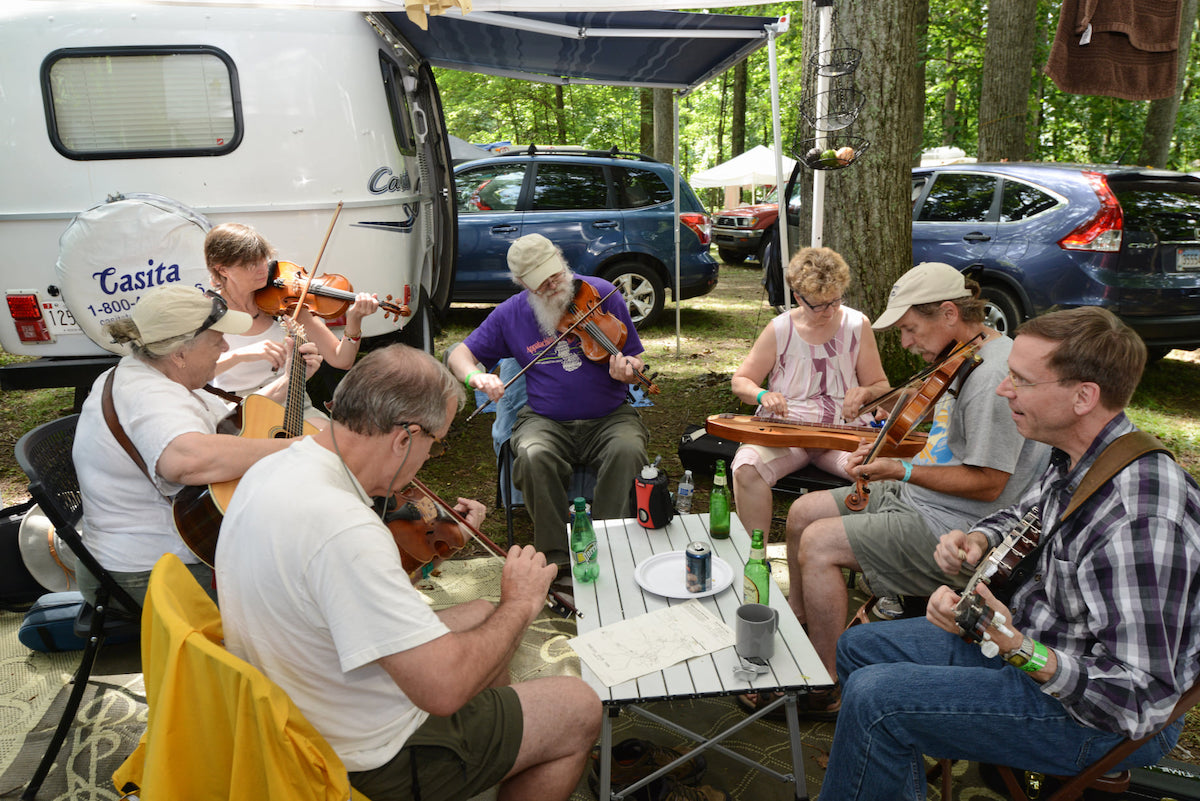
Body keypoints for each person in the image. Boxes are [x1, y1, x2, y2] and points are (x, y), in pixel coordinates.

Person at [822, 306, 1200, 799]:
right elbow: (1025, 514)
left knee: (876, 702)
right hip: (1040, 643)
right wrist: (979, 540)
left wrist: (1017, 647)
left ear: (1083, 397)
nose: (1003, 389)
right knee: (858, 647)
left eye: (1021, 379)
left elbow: (1137, 697)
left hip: (1095, 716)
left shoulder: (1140, 520)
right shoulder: (1079, 455)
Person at [215, 344, 602, 801]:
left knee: (481, 612)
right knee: (579, 706)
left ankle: (491, 750)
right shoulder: (344, 527)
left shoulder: (271, 466)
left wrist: (441, 552)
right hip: (362, 755)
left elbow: (347, 596)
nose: (430, 457)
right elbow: (443, 692)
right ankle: (473, 754)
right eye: (434, 443)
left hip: (296, 701)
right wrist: (521, 601)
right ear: (404, 438)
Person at [779, 261, 1049, 702]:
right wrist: (881, 421)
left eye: (910, 328)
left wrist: (900, 468)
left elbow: (990, 483)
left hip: (957, 528)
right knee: (801, 513)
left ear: (949, 313)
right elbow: (936, 422)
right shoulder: (965, 355)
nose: (905, 342)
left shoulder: (991, 377)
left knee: (819, 543)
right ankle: (801, 618)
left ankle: (826, 681)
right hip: (919, 496)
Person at [73, 285, 312, 609]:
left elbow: (228, 423)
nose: (225, 347)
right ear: (179, 353)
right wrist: (298, 447)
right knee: (302, 597)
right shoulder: (148, 395)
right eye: (217, 340)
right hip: (146, 572)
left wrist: (289, 383)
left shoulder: (150, 371)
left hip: (162, 554)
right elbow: (187, 459)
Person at [446, 233, 649, 570]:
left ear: (560, 259)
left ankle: (608, 547)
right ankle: (556, 558)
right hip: (545, 419)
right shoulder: (510, 314)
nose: (554, 285)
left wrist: (630, 370)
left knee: (628, 449)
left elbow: (634, 358)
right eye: (542, 282)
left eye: (555, 274)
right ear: (522, 283)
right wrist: (476, 378)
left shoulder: (602, 293)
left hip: (610, 415)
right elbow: (460, 355)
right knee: (532, 454)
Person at [729, 246, 889, 538]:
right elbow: (741, 381)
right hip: (788, 432)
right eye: (820, 305)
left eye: (835, 301)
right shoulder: (780, 329)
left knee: (881, 473)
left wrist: (865, 393)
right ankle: (755, 556)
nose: (830, 311)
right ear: (799, 297)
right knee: (746, 468)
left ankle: (857, 552)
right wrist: (763, 396)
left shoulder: (857, 325)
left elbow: (881, 386)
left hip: (843, 434)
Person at [204, 222, 379, 423]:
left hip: (291, 400)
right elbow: (191, 373)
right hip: (239, 407)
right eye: (250, 264)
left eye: (263, 259)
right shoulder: (209, 311)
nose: (263, 269)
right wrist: (240, 355)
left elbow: (341, 359)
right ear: (222, 270)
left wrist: (354, 320)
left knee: (333, 440)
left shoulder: (285, 303)